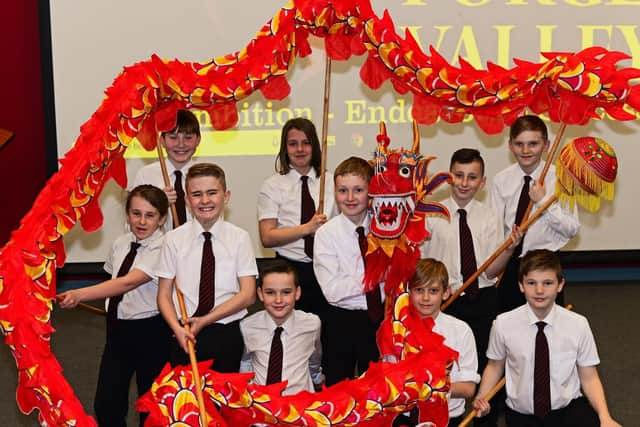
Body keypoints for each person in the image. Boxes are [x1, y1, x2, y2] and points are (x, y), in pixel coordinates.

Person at [58, 184, 172, 427]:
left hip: (151, 331)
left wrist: (79, 294)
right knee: (107, 403)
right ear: (127, 214)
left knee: (150, 405)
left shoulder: (164, 247)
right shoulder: (121, 243)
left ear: (162, 218)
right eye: (136, 213)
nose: (141, 221)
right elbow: (112, 279)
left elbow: (127, 283)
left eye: (150, 215)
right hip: (117, 330)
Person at [472, 249, 621, 427]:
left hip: (567, 411)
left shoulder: (578, 324)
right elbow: (494, 366)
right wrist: (482, 397)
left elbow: (589, 377)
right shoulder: (503, 324)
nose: (539, 290)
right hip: (521, 415)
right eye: (531, 283)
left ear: (560, 285)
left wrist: (605, 417)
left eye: (548, 283)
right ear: (521, 285)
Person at [421, 148, 521, 377]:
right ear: (448, 177)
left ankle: (485, 411)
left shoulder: (490, 217)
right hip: (444, 301)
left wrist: (509, 250)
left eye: (472, 177)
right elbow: (421, 263)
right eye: (458, 175)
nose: (464, 183)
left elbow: (492, 271)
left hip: (481, 299)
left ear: (482, 182)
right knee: (441, 364)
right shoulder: (432, 214)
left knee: (485, 362)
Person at [156, 163, 257, 372]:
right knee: (186, 400)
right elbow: (164, 294)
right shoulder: (173, 239)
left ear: (226, 196)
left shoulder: (240, 238)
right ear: (186, 199)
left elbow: (248, 295)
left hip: (225, 329)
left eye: (212, 193)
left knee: (222, 400)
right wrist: (177, 328)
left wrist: (205, 320)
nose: (204, 201)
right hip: (183, 333)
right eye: (196, 194)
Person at [490, 115, 579, 314]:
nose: (526, 150)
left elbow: (571, 229)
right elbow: (495, 228)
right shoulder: (501, 180)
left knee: (547, 326)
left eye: (533, 144)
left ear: (546, 145)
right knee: (508, 324)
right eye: (519, 144)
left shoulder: (561, 179)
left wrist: (543, 203)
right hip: (512, 264)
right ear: (510, 146)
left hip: (546, 265)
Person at [313, 156, 384, 386]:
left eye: (358, 190)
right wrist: (374, 277)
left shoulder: (385, 227)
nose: (350, 198)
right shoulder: (326, 234)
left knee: (377, 389)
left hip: (381, 320)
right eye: (343, 190)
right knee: (338, 388)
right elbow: (333, 291)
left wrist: (356, 283)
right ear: (335, 192)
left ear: (370, 191)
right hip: (340, 322)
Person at [385, 258, 479, 427]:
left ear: (446, 292)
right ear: (409, 292)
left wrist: (434, 388)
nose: (426, 297)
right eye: (419, 290)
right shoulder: (395, 329)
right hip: (403, 417)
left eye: (433, 290)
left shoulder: (461, 331)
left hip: (447, 417)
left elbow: (469, 388)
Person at [257, 117, 335, 317]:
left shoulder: (331, 182)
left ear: (315, 146)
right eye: (293, 144)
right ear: (285, 148)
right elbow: (267, 237)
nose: (300, 149)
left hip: (328, 267)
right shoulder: (272, 185)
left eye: (306, 143)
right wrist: (307, 228)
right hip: (290, 270)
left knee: (328, 333)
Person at [239, 259, 323, 395]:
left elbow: (314, 358)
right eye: (270, 293)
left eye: (286, 292)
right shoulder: (248, 326)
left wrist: (317, 380)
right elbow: (246, 362)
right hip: (263, 406)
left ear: (297, 293)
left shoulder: (312, 324)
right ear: (260, 294)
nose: (278, 300)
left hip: (300, 403)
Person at [130, 109, 201, 229]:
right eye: (173, 137)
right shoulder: (145, 175)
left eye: (188, 138)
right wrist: (159, 204)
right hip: (157, 247)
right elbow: (131, 227)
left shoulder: (206, 176)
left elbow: (216, 223)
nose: (181, 144)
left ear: (198, 140)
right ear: (162, 140)